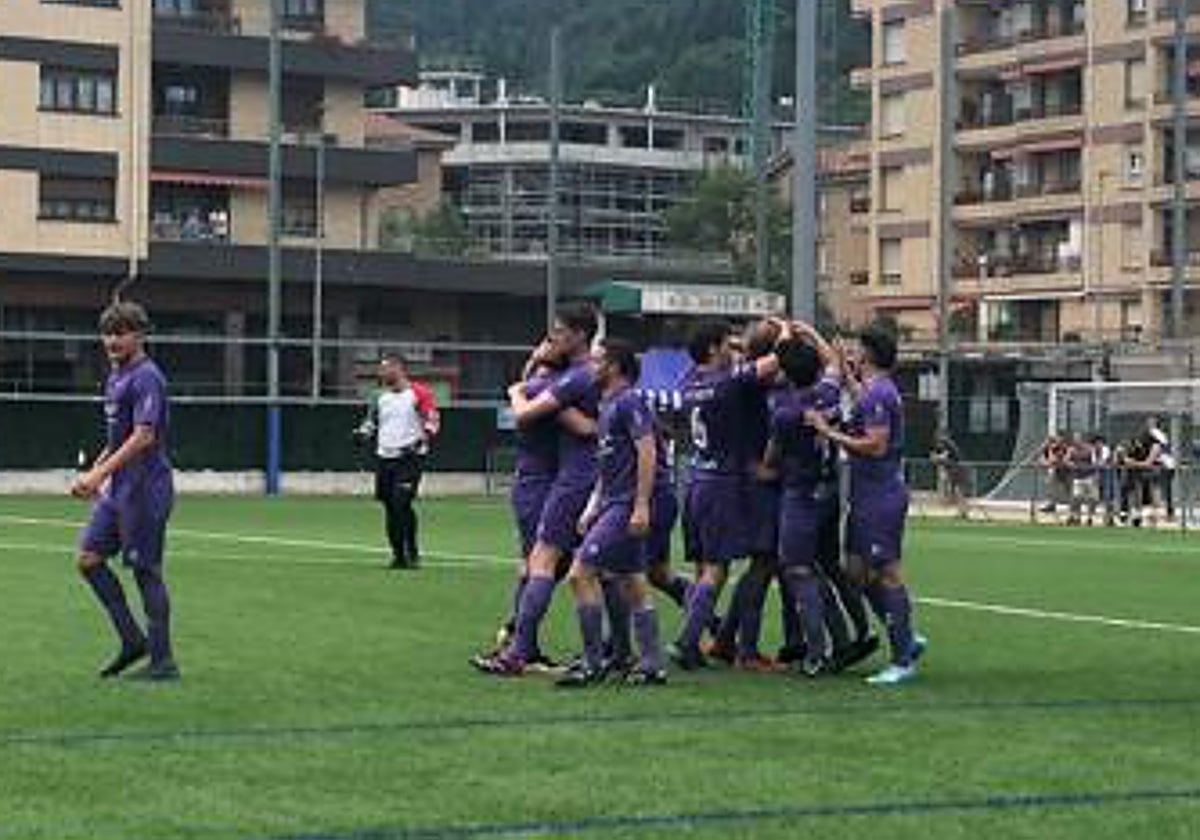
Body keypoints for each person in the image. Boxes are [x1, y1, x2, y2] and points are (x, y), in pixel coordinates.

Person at [474, 303, 600, 676]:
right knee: (586, 567)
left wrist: (517, 388)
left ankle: (520, 646)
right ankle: (526, 643)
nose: (551, 339)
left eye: (557, 333)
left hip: (558, 481)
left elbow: (529, 409)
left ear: (579, 335)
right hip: (551, 480)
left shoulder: (567, 379)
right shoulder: (567, 378)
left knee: (545, 563)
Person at [806, 323, 926, 686]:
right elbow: (858, 394)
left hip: (880, 496)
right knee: (855, 573)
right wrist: (840, 363)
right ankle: (905, 635)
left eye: (858, 349)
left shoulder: (880, 394)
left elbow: (875, 444)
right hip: (865, 495)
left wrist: (827, 432)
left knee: (887, 574)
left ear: (869, 354)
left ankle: (903, 657)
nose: (855, 354)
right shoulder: (874, 390)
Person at [668, 317, 789, 670]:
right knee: (717, 570)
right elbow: (777, 359)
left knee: (702, 566)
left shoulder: (688, 381)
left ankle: (701, 639)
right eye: (726, 343)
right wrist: (784, 331)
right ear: (712, 349)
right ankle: (687, 641)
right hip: (722, 483)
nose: (731, 348)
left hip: (695, 480)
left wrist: (736, 347)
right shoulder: (728, 382)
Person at [71, 300, 179, 681]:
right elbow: (118, 439)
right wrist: (95, 473)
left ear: (139, 335)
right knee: (88, 559)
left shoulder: (147, 377)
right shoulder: (116, 377)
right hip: (118, 490)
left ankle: (163, 661)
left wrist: (98, 475)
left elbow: (143, 436)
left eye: (120, 333)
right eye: (107, 334)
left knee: (145, 571)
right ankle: (133, 641)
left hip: (145, 491)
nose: (112, 341)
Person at [557, 338, 667, 688]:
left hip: (625, 504)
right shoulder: (607, 405)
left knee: (579, 574)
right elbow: (607, 465)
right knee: (631, 580)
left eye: (597, 360)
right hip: (612, 503)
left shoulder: (629, 401)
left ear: (614, 366)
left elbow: (647, 451)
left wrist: (641, 504)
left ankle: (593, 663)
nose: (591, 366)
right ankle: (651, 663)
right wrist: (593, 506)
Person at [357, 353, 440, 569]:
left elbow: (432, 421)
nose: (381, 373)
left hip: (410, 458)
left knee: (401, 502)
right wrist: (362, 434)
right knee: (389, 506)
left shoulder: (419, 393)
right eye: (381, 369)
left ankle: (411, 550)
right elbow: (371, 422)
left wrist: (421, 440)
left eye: (386, 368)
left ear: (399, 369)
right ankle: (398, 555)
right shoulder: (378, 396)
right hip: (385, 457)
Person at [930, 434, 969, 519]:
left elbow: (943, 457)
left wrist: (936, 457)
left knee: (959, 491)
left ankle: (963, 511)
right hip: (954, 469)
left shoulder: (948, 445)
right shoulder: (946, 445)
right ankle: (962, 511)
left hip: (958, 469)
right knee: (956, 491)